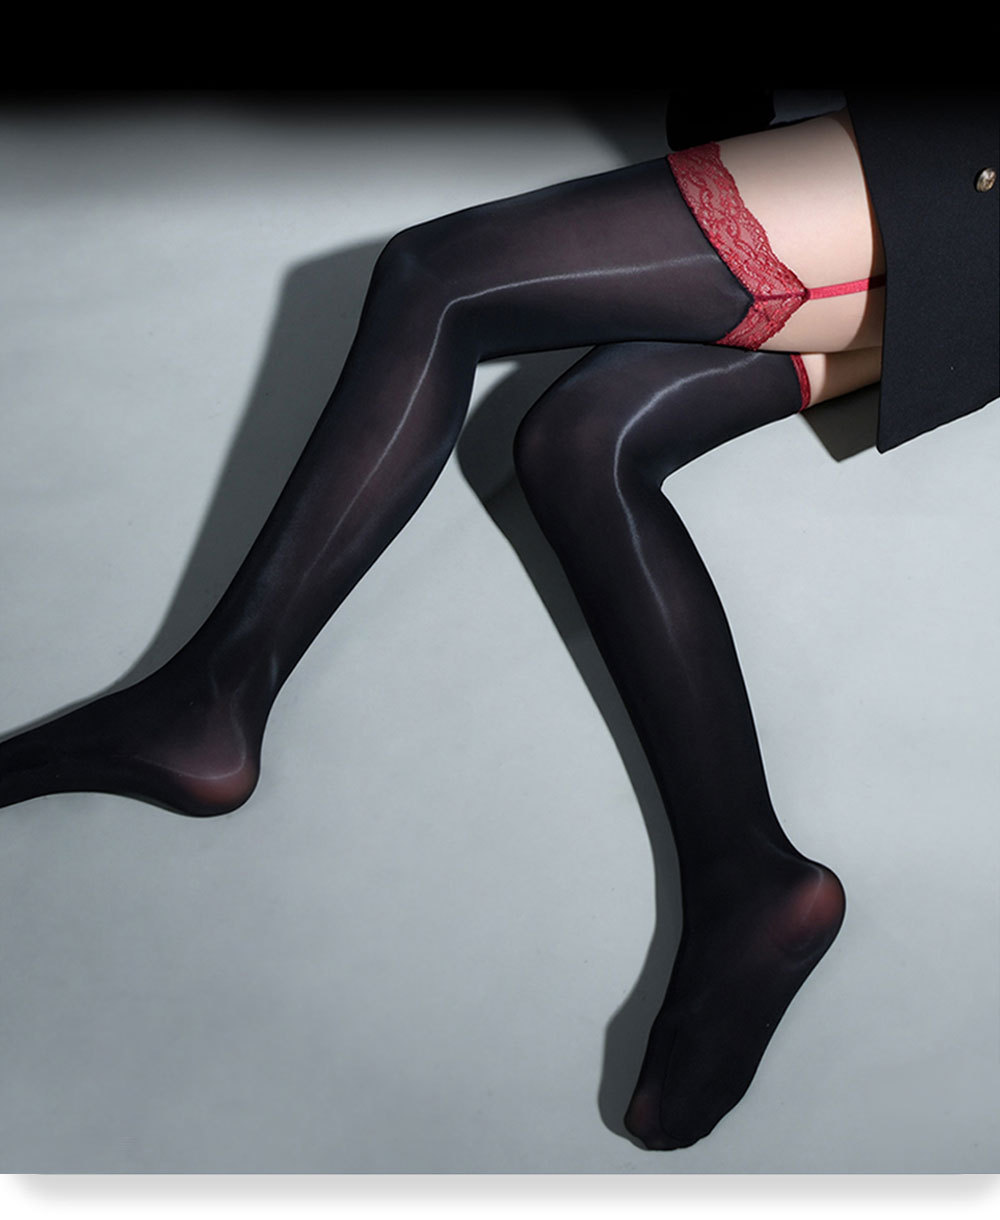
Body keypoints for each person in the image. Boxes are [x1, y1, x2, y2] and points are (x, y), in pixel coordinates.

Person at [0, 92, 996, 1152]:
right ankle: (746, 876)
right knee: (582, 443)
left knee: (439, 278)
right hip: (955, 243)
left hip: (950, 170)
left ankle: (213, 699)